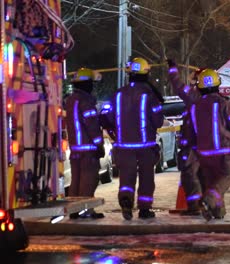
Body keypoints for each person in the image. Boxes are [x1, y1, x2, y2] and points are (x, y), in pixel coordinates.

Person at [190, 68, 230, 221]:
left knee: (212, 182)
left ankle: (216, 212)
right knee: (225, 177)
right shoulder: (224, 103)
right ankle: (209, 200)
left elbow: (192, 130)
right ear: (217, 84)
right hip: (222, 151)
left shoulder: (195, 106)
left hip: (204, 153)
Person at [110, 57, 165, 220]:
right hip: (145, 146)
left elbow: (107, 116)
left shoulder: (118, 94)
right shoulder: (150, 95)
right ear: (146, 73)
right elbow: (158, 120)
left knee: (126, 177)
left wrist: (116, 134)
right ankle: (144, 209)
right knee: (147, 178)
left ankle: (126, 200)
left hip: (123, 146)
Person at [65, 67, 105, 219]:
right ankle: (86, 210)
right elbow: (92, 127)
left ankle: (74, 210)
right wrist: (99, 145)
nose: (92, 87)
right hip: (88, 150)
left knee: (75, 181)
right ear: (87, 84)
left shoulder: (70, 100)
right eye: (91, 84)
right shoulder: (86, 101)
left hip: (75, 149)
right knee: (89, 180)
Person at [167, 59, 203, 215]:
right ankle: (211, 206)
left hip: (192, 144)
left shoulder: (194, 96)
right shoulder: (218, 99)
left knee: (190, 176)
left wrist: (173, 70)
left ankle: (195, 206)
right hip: (210, 146)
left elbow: (178, 86)